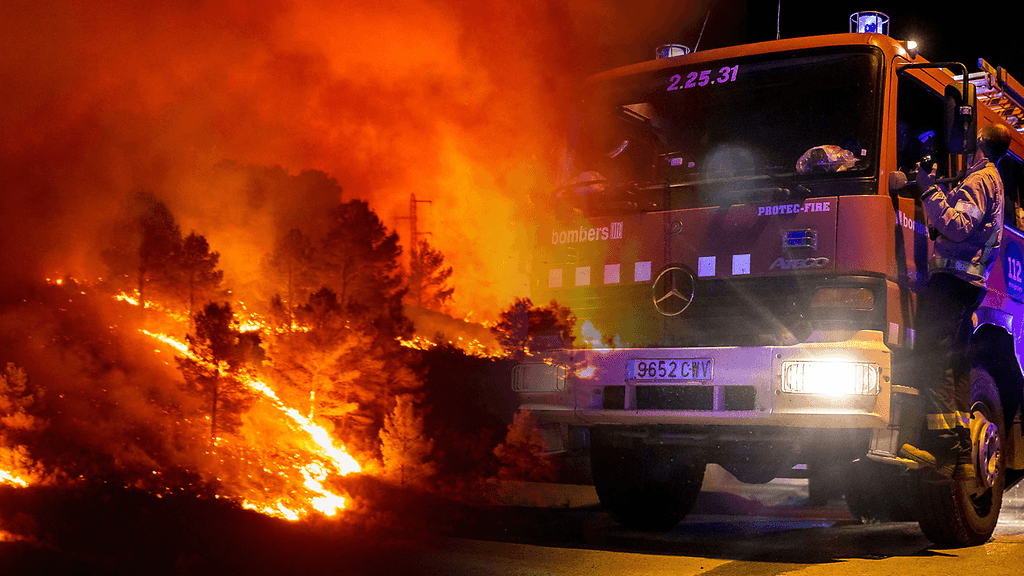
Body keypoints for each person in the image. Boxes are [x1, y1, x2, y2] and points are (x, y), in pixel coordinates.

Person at [900, 123, 1013, 476]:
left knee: (933, 358)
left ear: (978, 143)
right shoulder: (989, 179)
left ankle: (942, 446)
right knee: (956, 363)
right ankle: (960, 443)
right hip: (967, 283)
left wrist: (927, 190)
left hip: (952, 281)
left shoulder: (980, 180)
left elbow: (959, 226)